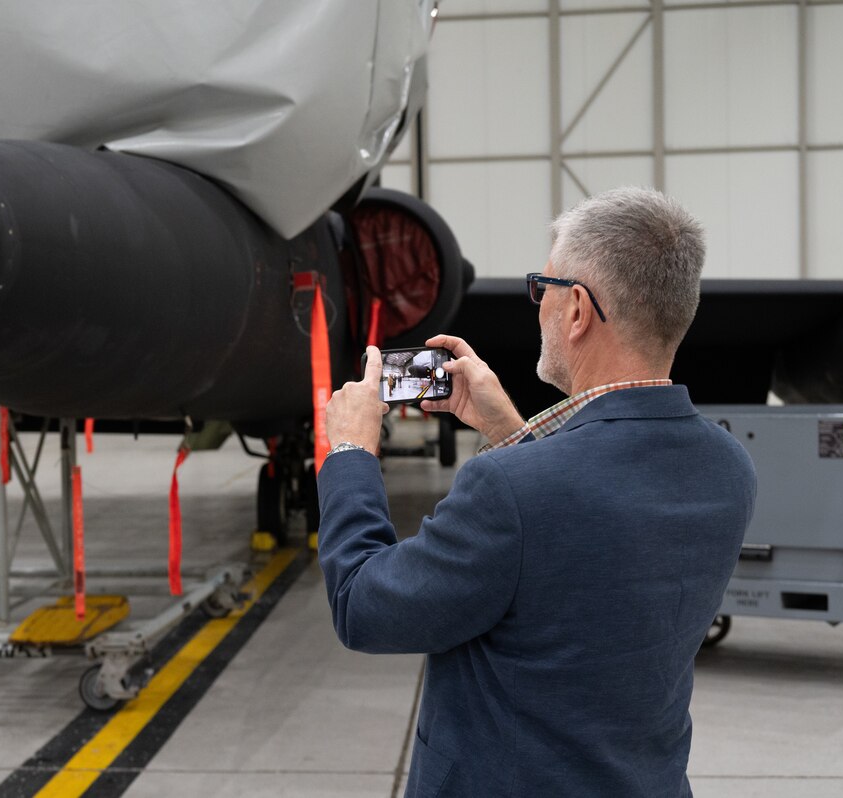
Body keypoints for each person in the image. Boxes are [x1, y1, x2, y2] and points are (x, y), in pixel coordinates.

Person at [317, 187, 757, 797]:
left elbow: (363, 606)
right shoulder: (728, 467)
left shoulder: (511, 490)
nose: (538, 306)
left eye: (541, 287)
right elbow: (577, 549)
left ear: (577, 310)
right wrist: (509, 431)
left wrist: (350, 452)